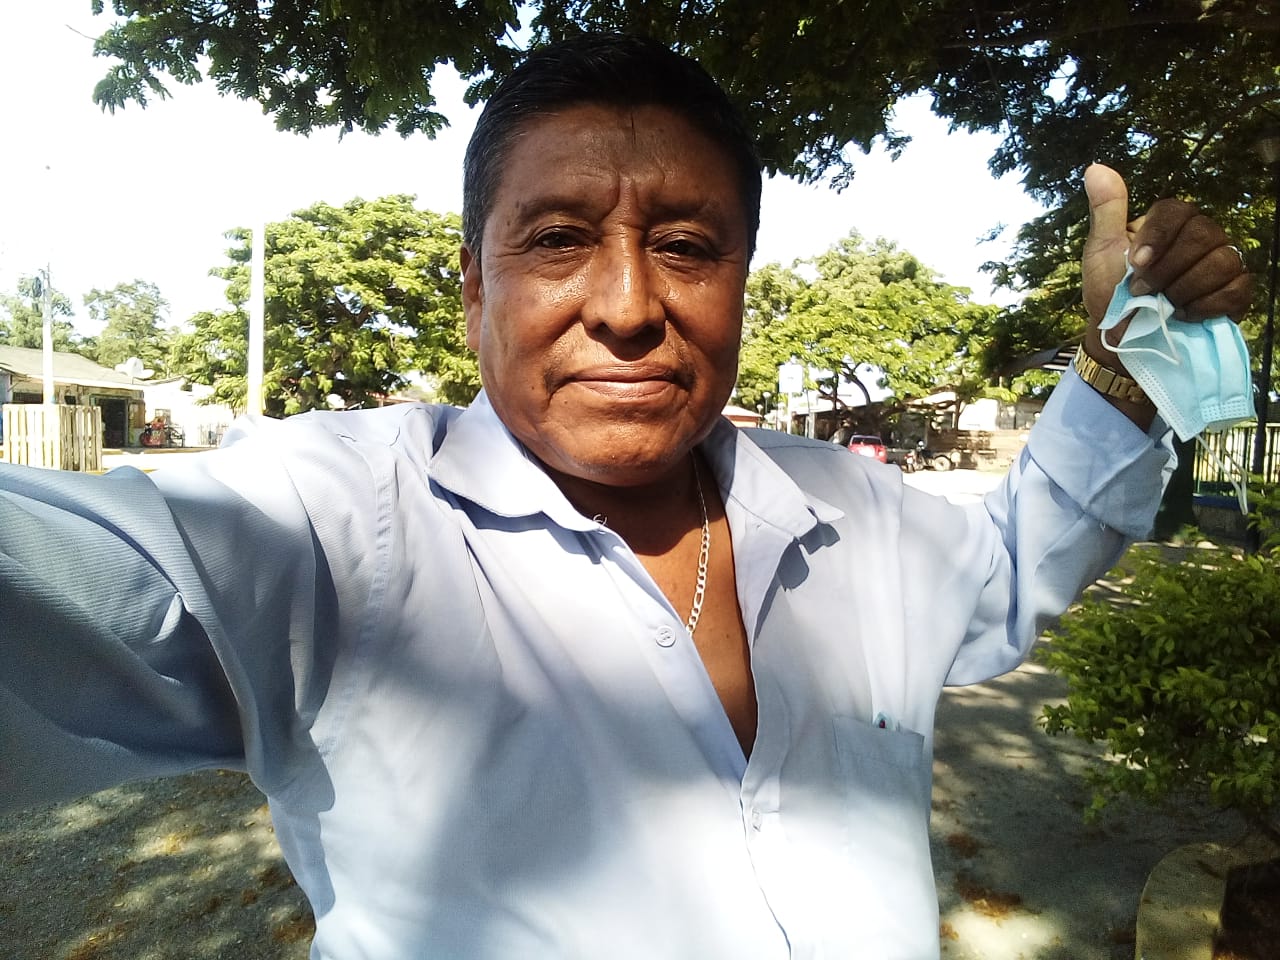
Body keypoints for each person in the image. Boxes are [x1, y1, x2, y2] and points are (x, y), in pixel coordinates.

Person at [0, 33, 1253, 960]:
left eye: (686, 246)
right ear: (472, 290)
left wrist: (1119, 372)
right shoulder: (339, 524)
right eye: (555, 239)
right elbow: (87, 583)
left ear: (740, 280)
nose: (626, 306)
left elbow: (1009, 570)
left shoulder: (850, 513)